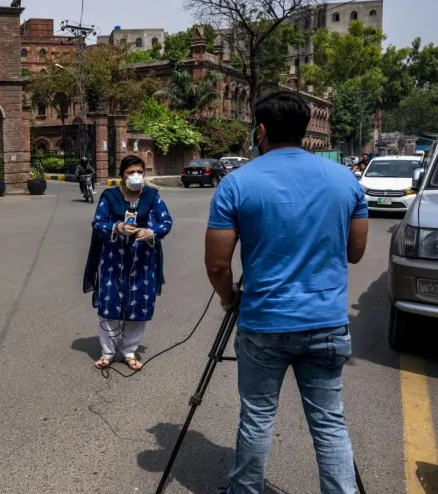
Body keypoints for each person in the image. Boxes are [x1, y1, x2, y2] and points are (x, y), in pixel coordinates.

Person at [205, 91, 368, 494]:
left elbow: (217, 265)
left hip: (264, 323)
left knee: (257, 416)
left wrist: (229, 299)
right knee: (330, 423)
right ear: (304, 128)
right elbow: (356, 252)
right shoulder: (346, 180)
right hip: (327, 321)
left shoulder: (237, 183)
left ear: (260, 130)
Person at [82, 155, 173, 371]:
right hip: (113, 262)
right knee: (109, 305)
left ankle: (129, 351)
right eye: (130, 172)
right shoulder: (110, 197)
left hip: (143, 264)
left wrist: (151, 231)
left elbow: (166, 222)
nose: (136, 176)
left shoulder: (152, 197)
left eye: (140, 172)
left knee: (138, 306)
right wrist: (116, 227)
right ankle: (107, 352)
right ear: (122, 175)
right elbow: (98, 222)